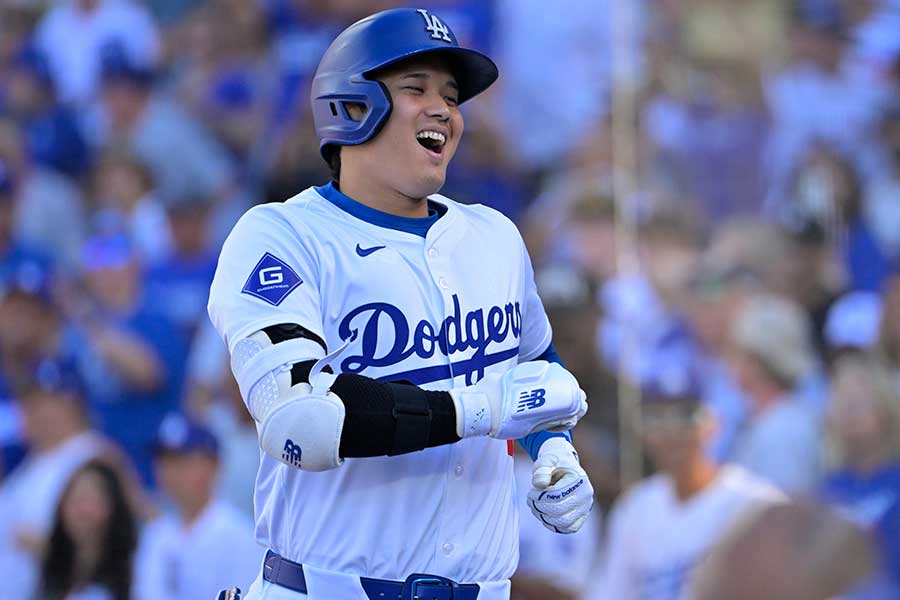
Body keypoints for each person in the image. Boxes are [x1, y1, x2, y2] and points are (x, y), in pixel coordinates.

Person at [207, 8, 592, 600]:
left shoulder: (494, 236)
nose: (443, 109)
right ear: (351, 106)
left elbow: (537, 370)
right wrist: (481, 409)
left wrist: (554, 449)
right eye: (416, 89)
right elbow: (301, 424)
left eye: (452, 96)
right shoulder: (281, 234)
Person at [597, 368, 783, 599]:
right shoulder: (634, 509)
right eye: (656, 418)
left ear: (713, 423)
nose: (671, 431)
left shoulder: (755, 502)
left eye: (684, 415)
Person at [0, 359, 119, 600]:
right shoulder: (30, 463)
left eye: (39, 401)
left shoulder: (93, 456)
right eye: (26, 401)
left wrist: (48, 546)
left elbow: (114, 547)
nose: (28, 409)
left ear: (71, 403)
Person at [133, 413, 262, 600]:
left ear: (213, 465)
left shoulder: (240, 534)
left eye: (182, 462)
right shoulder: (155, 532)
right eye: (164, 462)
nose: (171, 472)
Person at [820, 353, 900, 598]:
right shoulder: (825, 491)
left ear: (887, 409)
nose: (850, 411)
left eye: (861, 401)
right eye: (842, 401)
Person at [36, 460, 139, 600]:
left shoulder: (138, 565)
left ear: (114, 504)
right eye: (73, 499)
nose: (80, 510)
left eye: (89, 499)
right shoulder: (51, 567)